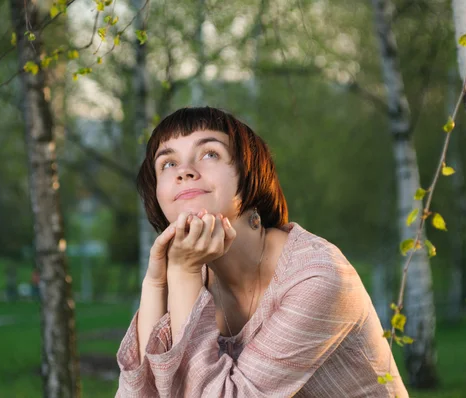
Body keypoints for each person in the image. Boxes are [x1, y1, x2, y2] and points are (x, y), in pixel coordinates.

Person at [116, 107, 408, 397]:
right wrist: (155, 283)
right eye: (167, 163)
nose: (184, 171)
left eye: (209, 154)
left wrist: (182, 272)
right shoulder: (190, 271)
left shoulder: (316, 276)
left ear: (249, 175)